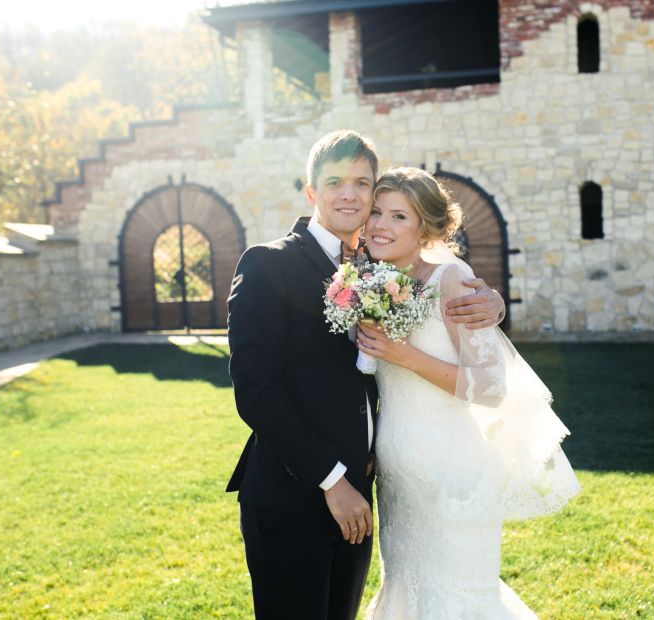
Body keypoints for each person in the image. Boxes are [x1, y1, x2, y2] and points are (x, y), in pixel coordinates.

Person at [226, 131, 506, 620]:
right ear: (312, 192)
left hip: (371, 493)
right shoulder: (268, 264)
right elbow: (257, 392)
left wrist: (493, 304)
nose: (350, 195)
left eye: (362, 183)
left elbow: (436, 289)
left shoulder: (380, 264)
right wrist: (332, 482)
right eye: (335, 181)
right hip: (296, 494)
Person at [357, 167, 581, 619]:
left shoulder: (452, 278)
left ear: (426, 227)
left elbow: (491, 387)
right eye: (377, 212)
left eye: (400, 216)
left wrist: (403, 355)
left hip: (452, 471)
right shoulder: (369, 280)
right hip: (398, 474)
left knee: (460, 596)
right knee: (408, 587)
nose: (381, 224)